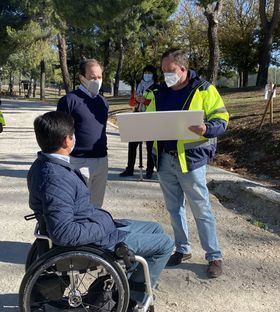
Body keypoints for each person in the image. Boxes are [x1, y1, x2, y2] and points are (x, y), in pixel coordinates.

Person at [27, 111, 173, 295]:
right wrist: (102, 227)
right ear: (66, 141)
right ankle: (133, 296)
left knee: (155, 228)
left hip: (93, 225)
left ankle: (129, 280)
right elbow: (63, 233)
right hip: (96, 240)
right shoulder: (55, 178)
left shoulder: (47, 164)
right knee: (166, 243)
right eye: (73, 135)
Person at [146, 48, 229, 278]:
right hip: (164, 159)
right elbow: (148, 119)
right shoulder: (158, 91)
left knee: (201, 209)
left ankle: (214, 256)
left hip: (191, 161)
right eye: (163, 71)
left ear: (183, 69)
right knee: (174, 208)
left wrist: (206, 129)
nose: (165, 75)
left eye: (170, 71)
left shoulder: (204, 90)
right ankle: (182, 249)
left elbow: (222, 119)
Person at [57, 58, 108, 208]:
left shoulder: (103, 102)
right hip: (78, 161)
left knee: (96, 207)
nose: (97, 81)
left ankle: (95, 231)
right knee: (78, 207)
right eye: (93, 77)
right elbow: (59, 133)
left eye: (99, 77)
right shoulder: (69, 100)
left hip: (101, 161)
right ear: (82, 78)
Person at [119, 65, 159, 179]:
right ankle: (129, 169)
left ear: (153, 74)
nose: (147, 74)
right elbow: (131, 103)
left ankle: (149, 170)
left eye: (149, 72)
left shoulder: (157, 87)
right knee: (132, 145)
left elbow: (157, 103)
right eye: (145, 72)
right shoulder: (138, 86)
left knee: (150, 146)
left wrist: (145, 101)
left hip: (150, 120)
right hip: (137, 117)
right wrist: (135, 100)